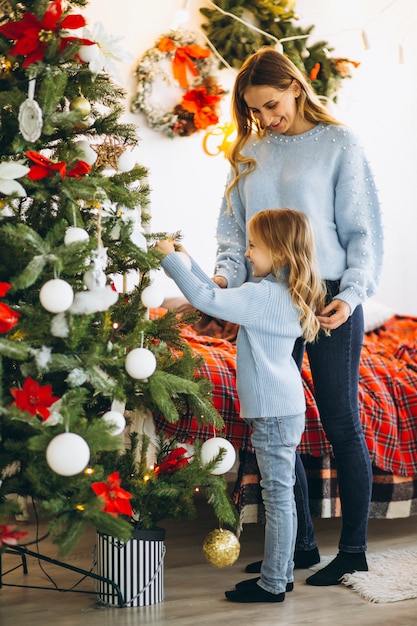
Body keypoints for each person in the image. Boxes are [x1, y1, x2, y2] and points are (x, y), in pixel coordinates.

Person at [213, 47, 384, 587]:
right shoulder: (248, 149)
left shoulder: (340, 144)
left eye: (270, 104)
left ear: (293, 85)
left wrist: (353, 295)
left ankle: (353, 550)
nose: (266, 118)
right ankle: (299, 548)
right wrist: (223, 280)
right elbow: (232, 233)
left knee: (339, 418)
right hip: (269, 298)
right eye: (255, 111)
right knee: (274, 425)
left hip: (329, 295)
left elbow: (363, 233)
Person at [156, 208, 327, 603]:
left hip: (273, 413)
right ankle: (279, 575)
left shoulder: (262, 295)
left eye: (253, 246)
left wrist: (168, 261)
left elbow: (206, 299)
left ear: (279, 253)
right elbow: (217, 296)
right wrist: (187, 261)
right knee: (280, 496)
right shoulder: (284, 293)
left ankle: (272, 584)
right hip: (284, 409)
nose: (248, 254)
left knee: (278, 498)